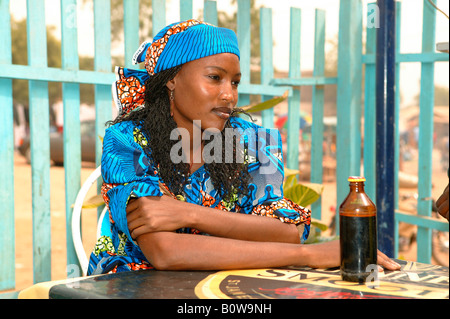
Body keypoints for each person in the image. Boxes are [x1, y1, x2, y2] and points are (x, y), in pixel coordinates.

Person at [87, 19, 400, 275]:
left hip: (225, 284)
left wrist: (187, 214)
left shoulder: (246, 138)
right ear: (172, 79)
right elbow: (165, 252)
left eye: (234, 82)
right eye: (214, 78)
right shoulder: (127, 140)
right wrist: (310, 256)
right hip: (135, 285)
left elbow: (286, 230)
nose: (229, 95)